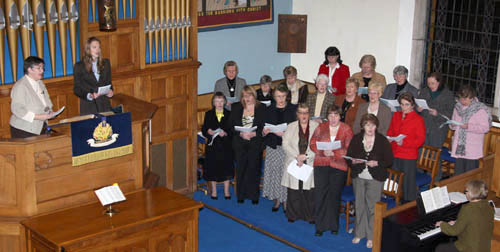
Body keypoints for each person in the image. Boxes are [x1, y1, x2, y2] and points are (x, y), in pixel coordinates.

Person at [346, 114, 393, 249]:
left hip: (375, 178)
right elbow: (348, 157)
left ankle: (372, 235)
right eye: (367, 125)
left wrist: (377, 163)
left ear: (376, 126)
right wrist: (353, 161)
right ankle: (359, 233)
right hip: (359, 177)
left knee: (372, 208)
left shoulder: (382, 141)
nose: (370, 128)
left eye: (372, 125)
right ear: (363, 126)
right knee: (360, 205)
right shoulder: (356, 139)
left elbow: (389, 161)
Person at [310, 105, 353, 236]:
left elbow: (349, 149)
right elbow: (312, 143)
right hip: (321, 164)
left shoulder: (346, 129)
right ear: (327, 116)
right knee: (320, 195)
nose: (333, 118)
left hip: (338, 166)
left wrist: (334, 152)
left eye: (336, 115)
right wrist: (323, 151)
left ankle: (333, 225)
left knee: (334, 196)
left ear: (340, 116)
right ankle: (320, 226)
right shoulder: (320, 127)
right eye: (330, 115)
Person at [281, 103, 319, 223]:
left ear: (309, 114)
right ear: (297, 114)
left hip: (310, 161)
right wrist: (297, 156)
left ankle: (310, 216)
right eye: (301, 113)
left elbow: (318, 145)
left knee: (309, 191)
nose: (304, 115)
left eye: (306, 113)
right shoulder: (291, 126)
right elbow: (285, 144)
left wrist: (306, 156)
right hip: (294, 161)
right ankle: (292, 215)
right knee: (294, 191)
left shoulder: (316, 126)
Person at [262, 85, 297, 212]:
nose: (281, 99)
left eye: (283, 96)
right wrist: (265, 131)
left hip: (287, 147)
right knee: (275, 173)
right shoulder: (269, 109)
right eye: (278, 96)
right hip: (273, 145)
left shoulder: (293, 109)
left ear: (286, 96)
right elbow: (263, 126)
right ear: (274, 96)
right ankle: (277, 200)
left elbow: (297, 129)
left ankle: (287, 201)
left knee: (286, 173)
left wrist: (286, 134)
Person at [229, 86, 266, 204]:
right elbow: (230, 126)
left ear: (254, 96)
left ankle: (254, 195)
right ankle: (241, 194)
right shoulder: (236, 107)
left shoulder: (262, 108)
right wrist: (241, 134)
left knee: (254, 169)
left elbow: (264, 126)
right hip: (240, 143)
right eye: (245, 96)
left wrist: (256, 133)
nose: (247, 98)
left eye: (249, 95)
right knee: (241, 169)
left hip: (255, 143)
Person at [435, 180, 494, 252]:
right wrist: (457, 222)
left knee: (440, 248)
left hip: (470, 248)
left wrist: (442, 224)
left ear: (471, 193)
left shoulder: (467, 208)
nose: (465, 193)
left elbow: (454, 231)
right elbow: (476, 221)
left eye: (466, 191)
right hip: (484, 247)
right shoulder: (488, 206)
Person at [387, 92, 425, 202]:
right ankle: (395, 202)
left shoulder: (418, 119)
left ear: (412, 105)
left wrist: (404, 143)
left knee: (408, 183)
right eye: (402, 104)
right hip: (395, 152)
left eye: (407, 105)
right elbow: (391, 130)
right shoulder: (396, 115)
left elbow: (420, 141)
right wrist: (390, 138)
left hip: (408, 155)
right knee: (394, 181)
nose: (404, 107)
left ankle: (408, 204)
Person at [449, 85, 491, 175]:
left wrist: (469, 126)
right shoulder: (457, 107)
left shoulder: (480, 109)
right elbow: (454, 123)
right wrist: (452, 125)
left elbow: (485, 128)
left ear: (472, 98)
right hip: (459, 147)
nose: (462, 101)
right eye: (460, 98)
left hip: (472, 148)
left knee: (469, 176)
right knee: (458, 175)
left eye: (465, 99)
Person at [10, 56, 56, 138]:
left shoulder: (40, 83)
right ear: (29, 69)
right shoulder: (21, 86)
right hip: (24, 129)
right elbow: (17, 109)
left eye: (42, 68)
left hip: (40, 126)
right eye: (39, 68)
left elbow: (46, 102)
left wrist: (50, 112)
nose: (42, 71)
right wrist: (40, 117)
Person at [201, 92, 234, 200]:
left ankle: (226, 191)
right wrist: (208, 131)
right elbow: (204, 129)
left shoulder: (229, 114)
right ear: (213, 103)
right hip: (213, 146)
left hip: (225, 145)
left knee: (226, 167)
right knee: (212, 168)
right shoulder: (209, 114)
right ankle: (214, 191)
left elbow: (232, 130)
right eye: (217, 101)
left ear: (224, 102)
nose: (219, 104)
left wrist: (225, 133)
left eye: (221, 101)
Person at [73, 37, 114, 115]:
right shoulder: (79, 66)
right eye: (94, 47)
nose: (97, 50)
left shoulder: (106, 63)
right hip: (89, 106)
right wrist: (89, 95)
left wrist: (110, 91)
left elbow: (109, 82)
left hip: (104, 105)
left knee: (107, 127)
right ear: (88, 49)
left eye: (99, 47)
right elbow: (76, 88)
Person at [417, 72, 455, 149]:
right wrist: (418, 109)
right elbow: (416, 104)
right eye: (428, 83)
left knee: (434, 154)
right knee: (421, 152)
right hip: (424, 125)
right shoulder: (424, 91)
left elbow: (450, 114)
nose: (430, 85)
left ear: (439, 82)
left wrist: (437, 114)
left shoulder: (448, 94)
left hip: (438, 129)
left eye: (432, 83)